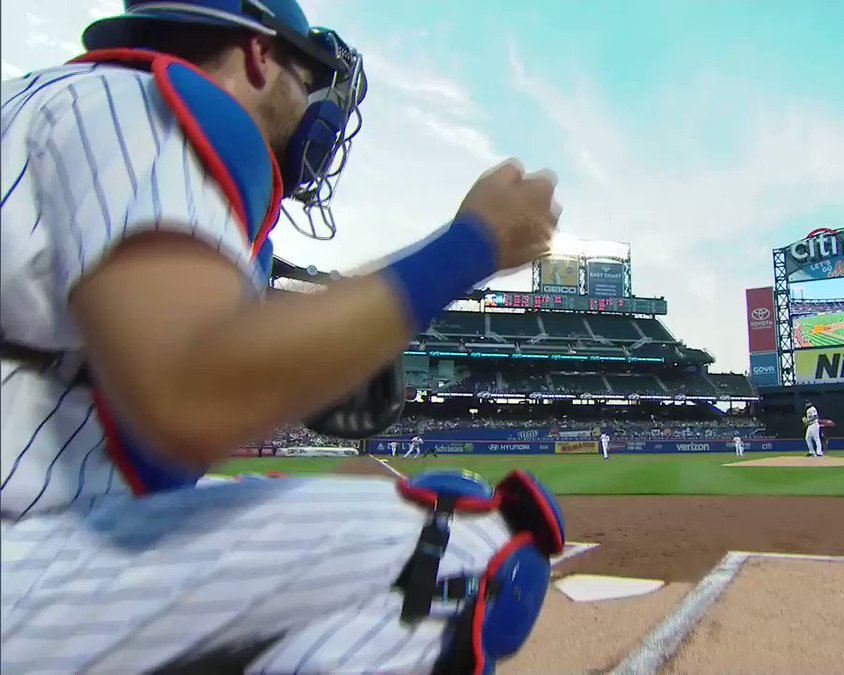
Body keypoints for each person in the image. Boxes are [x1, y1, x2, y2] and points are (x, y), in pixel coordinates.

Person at [0, 1, 563, 672]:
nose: (318, 104)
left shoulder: (57, 102)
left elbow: (141, 451)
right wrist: (473, 244)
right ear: (259, 55)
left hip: (35, 546)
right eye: (309, 75)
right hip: (21, 552)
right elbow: (191, 392)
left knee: (370, 503)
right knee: (457, 545)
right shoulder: (141, 109)